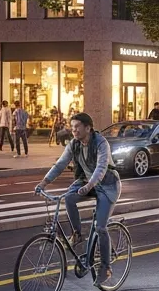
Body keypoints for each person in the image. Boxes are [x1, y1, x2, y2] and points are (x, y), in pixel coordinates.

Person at [36, 112, 121, 281]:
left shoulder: (101, 143)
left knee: (101, 227)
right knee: (68, 198)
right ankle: (77, 234)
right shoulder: (74, 144)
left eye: (77, 127)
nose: (73, 130)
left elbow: (101, 168)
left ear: (88, 128)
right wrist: (44, 183)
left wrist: (89, 185)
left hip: (107, 185)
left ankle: (106, 267)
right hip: (86, 182)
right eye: (72, 127)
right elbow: (60, 164)